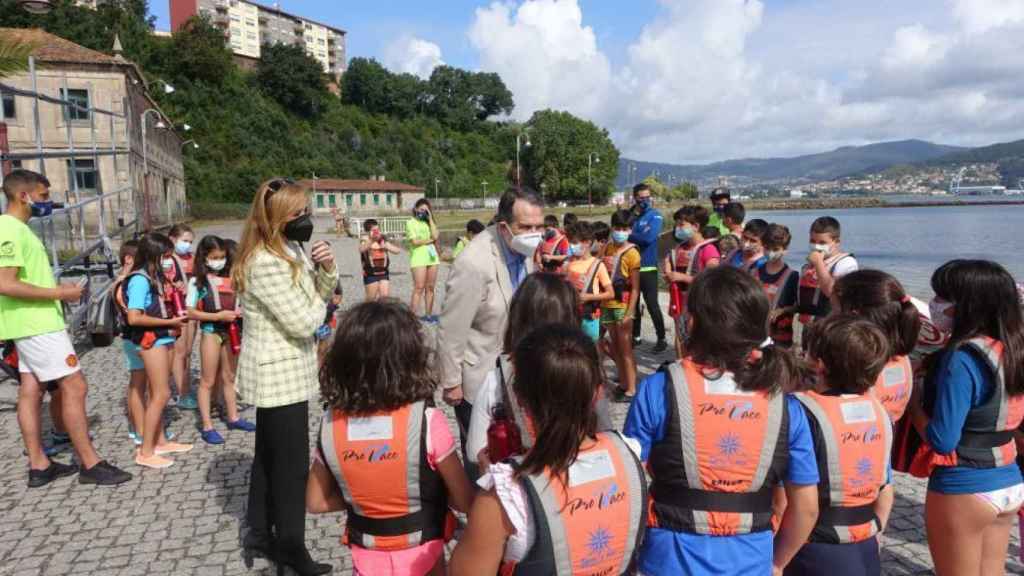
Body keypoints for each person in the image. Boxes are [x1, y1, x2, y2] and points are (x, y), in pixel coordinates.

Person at [624, 266, 820, 575]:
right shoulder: (786, 405)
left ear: (694, 323)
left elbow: (629, 484)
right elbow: (806, 507)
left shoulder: (657, 390)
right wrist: (778, 563)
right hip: (751, 559)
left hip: (668, 558)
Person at [450, 325, 648, 575]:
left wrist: (493, 484)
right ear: (597, 393)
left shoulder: (506, 496)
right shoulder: (629, 454)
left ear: (520, 399)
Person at [306, 300, 473, 576]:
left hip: (368, 556)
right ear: (411, 356)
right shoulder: (426, 422)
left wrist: (360, 498)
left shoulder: (330, 425)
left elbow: (315, 502)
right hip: (424, 555)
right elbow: (465, 501)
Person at [0, 169, 132, 486]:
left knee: (31, 391)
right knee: (75, 386)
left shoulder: (16, 229)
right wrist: (62, 293)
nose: (47, 203)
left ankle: (39, 464)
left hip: (29, 323)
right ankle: (89, 462)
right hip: (38, 324)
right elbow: (5, 283)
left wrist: (58, 289)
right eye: (43, 196)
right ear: (23, 195)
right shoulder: (10, 230)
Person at [233, 178, 338, 575]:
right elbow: (305, 319)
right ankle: (291, 546)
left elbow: (317, 292)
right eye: (297, 214)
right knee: (291, 467)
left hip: (287, 371)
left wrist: (327, 268)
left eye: (306, 211)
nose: (305, 219)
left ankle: (259, 530)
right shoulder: (265, 262)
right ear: (277, 218)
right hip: (279, 376)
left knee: (267, 458)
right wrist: (320, 297)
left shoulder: (288, 248)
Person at [908, 260, 1024, 576]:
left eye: (942, 296)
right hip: (1009, 481)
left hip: (966, 485)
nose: (934, 304)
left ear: (967, 305)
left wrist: (916, 406)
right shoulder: (1012, 346)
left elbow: (943, 439)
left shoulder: (960, 358)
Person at [437, 186, 543, 477]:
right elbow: (451, 328)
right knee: (482, 458)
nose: (534, 233)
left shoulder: (525, 251)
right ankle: (480, 514)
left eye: (539, 226)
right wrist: (451, 382)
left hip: (515, 372)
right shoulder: (474, 263)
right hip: (479, 374)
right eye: (526, 227)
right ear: (504, 225)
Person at [465, 272, 614, 468]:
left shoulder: (498, 379)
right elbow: (605, 431)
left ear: (518, 317)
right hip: (582, 483)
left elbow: (475, 450)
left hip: (525, 486)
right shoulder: (587, 370)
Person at [785, 315, 894, 576]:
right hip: (865, 544)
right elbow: (886, 487)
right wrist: (876, 532)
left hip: (814, 548)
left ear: (819, 364)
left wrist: (778, 559)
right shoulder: (879, 412)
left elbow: (792, 502)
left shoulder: (800, 410)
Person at [121, 233, 195, 469]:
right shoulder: (140, 280)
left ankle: (161, 441)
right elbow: (134, 317)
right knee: (161, 394)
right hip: (150, 340)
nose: (169, 260)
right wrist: (169, 323)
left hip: (163, 339)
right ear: (154, 255)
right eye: (165, 255)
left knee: (157, 391)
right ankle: (145, 451)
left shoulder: (154, 277)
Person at [185, 235, 255, 445]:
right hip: (211, 331)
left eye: (222, 257)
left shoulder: (231, 278)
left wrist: (241, 312)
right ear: (205, 257)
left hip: (231, 330)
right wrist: (216, 316)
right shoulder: (197, 281)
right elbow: (190, 312)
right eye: (215, 257)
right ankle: (207, 425)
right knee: (207, 380)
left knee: (230, 377)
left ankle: (233, 417)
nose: (219, 260)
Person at [833, 270, 921, 422]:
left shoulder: (858, 362)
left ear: (853, 315)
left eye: (834, 311)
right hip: (886, 435)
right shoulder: (901, 356)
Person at [663, 205, 720, 356]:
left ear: (695, 226)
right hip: (678, 302)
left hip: (698, 305)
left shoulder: (709, 250)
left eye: (681, 225)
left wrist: (683, 278)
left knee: (696, 341)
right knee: (680, 338)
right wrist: (668, 272)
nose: (677, 228)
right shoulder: (679, 248)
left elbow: (712, 279)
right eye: (677, 225)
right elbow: (668, 262)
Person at [602, 209, 641, 403]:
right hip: (607, 303)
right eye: (617, 228)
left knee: (626, 348)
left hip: (623, 304)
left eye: (624, 228)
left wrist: (630, 311)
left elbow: (635, 287)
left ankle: (632, 389)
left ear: (630, 230)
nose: (620, 231)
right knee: (616, 346)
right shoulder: (607, 248)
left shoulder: (632, 253)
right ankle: (624, 383)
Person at [628, 184, 668, 352]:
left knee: (652, 304)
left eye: (647, 197)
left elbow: (648, 238)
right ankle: (635, 337)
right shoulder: (631, 216)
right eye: (641, 197)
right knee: (633, 305)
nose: (645, 200)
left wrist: (630, 235)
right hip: (631, 267)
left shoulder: (655, 216)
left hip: (648, 267)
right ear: (635, 197)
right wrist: (638, 235)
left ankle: (662, 338)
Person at [797, 216, 858, 325]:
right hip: (810, 326)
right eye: (812, 241)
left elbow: (831, 292)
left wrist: (818, 263)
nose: (816, 246)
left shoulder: (846, 263)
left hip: (832, 327)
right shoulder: (809, 265)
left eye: (822, 243)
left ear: (836, 242)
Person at [564, 221, 613, 342]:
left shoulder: (597, 265)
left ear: (587, 242)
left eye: (574, 242)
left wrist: (588, 297)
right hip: (570, 315)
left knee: (590, 350)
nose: (571, 245)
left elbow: (610, 293)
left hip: (589, 318)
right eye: (570, 242)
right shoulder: (568, 263)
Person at [755, 224, 800, 349]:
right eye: (767, 248)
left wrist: (782, 310)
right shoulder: (754, 272)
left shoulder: (792, 276)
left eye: (775, 249)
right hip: (756, 336)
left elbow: (798, 306)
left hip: (780, 338)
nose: (770, 252)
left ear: (784, 249)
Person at [168, 224, 198, 411]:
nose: (187, 245)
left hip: (192, 309)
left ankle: (185, 387)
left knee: (187, 352)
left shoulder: (193, 259)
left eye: (190, 242)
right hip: (177, 310)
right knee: (179, 352)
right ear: (172, 239)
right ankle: (182, 393)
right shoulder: (167, 259)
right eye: (184, 241)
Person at [406, 199, 440, 322]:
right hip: (418, 258)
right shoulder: (410, 222)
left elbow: (435, 236)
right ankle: (411, 317)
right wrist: (429, 240)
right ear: (415, 209)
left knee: (430, 287)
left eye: (426, 210)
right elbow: (415, 242)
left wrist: (430, 218)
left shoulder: (428, 223)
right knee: (419, 287)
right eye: (421, 210)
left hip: (432, 258)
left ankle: (429, 315)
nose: (423, 212)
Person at [359, 219, 401, 301]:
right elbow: (361, 249)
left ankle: (381, 313)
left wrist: (386, 246)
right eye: (373, 230)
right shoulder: (365, 240)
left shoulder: (382, 240)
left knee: (385, 298)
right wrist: (372, 240)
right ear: (368, 231)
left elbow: (397, 251)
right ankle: (365, 313)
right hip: (370, 273)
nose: (376, 232)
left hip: (384, 273)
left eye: (377, 230)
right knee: (370, 299)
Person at [316, 284, 343, 366]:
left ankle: (320, 370)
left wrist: (333, 305)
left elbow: (338, 293)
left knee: (322, 348)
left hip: (325, 317)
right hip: (310, 315)